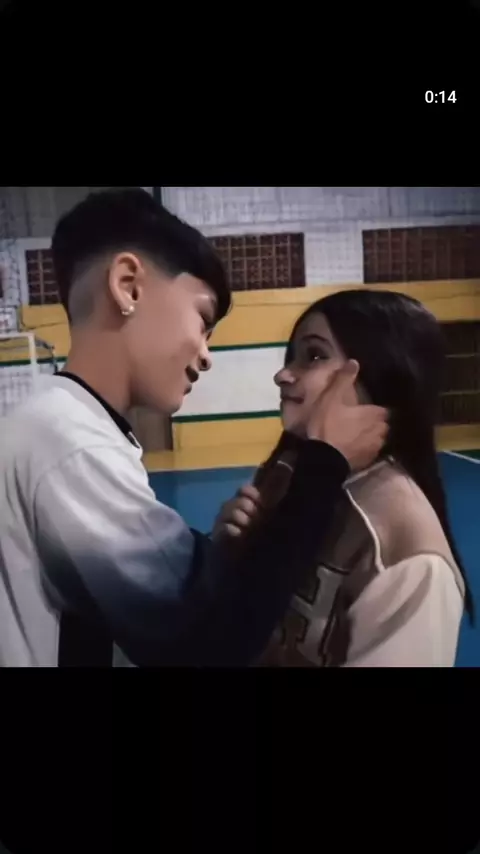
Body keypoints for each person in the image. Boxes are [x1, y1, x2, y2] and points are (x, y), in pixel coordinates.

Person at [0, 189, 388, 667]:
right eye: (203, 320)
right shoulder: (69, 444)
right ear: (128, 286)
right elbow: (212, 644)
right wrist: (324, 464)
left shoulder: (62, 425)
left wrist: (206, 558)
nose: (206, 355)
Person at [214, 289, 473, 667]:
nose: (282, 374)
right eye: (292, 357)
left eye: (314, 356)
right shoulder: (287, 472)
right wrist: (227, 554)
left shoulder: (411, 556)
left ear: (382, 371)